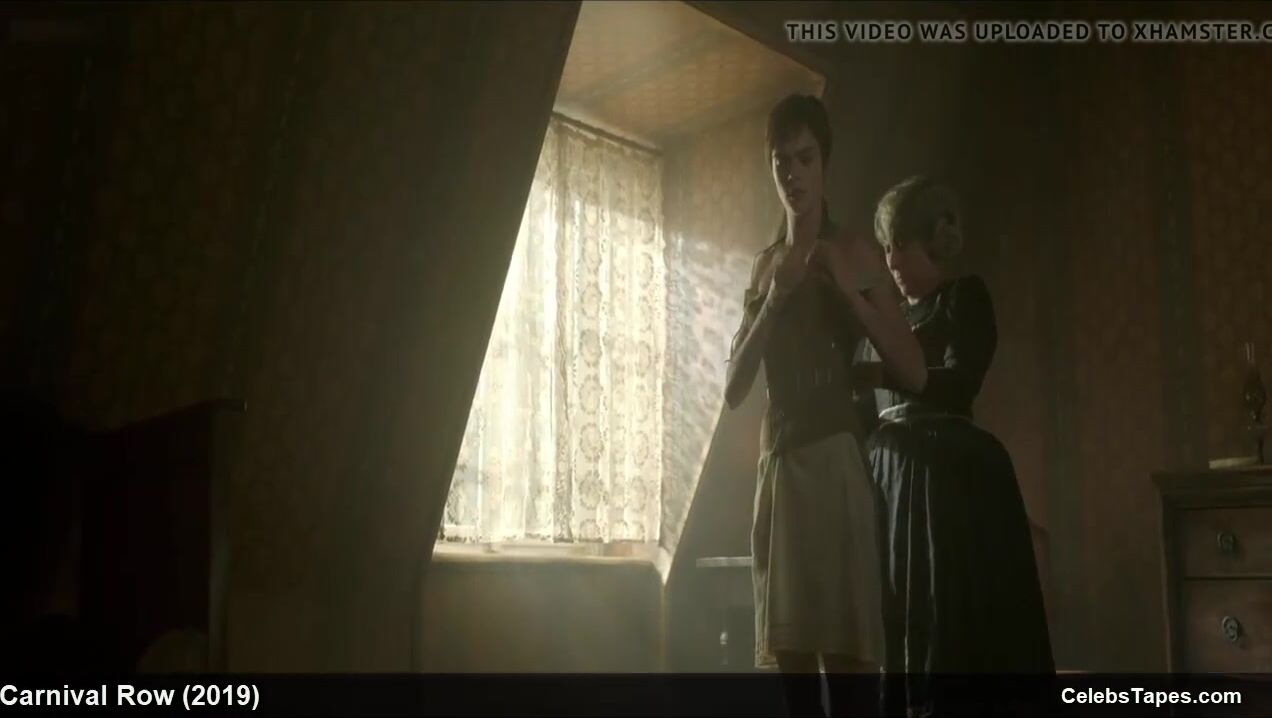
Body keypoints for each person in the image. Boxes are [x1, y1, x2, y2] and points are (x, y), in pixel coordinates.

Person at [724, 95, 927, 717]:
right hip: (782, 469)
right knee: (795, 678)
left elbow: (914, 370)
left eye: (804, 158)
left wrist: (848, 292)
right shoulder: (765, 267)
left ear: (824, 164)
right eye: (781, 161)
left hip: (837, 466)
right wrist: (776, 299)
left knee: (849, 674)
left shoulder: (856, 251)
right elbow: (733, 388)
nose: (792, 173)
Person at [855, 176, 1054, 715]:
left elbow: (961, 381)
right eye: (887, 246)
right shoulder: (886, 319)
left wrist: (884, 373)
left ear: (932, 240)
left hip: (943, 478)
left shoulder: (964, 297)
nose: (891, 258)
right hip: (890, 474)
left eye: (901, 243)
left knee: (947, 614)